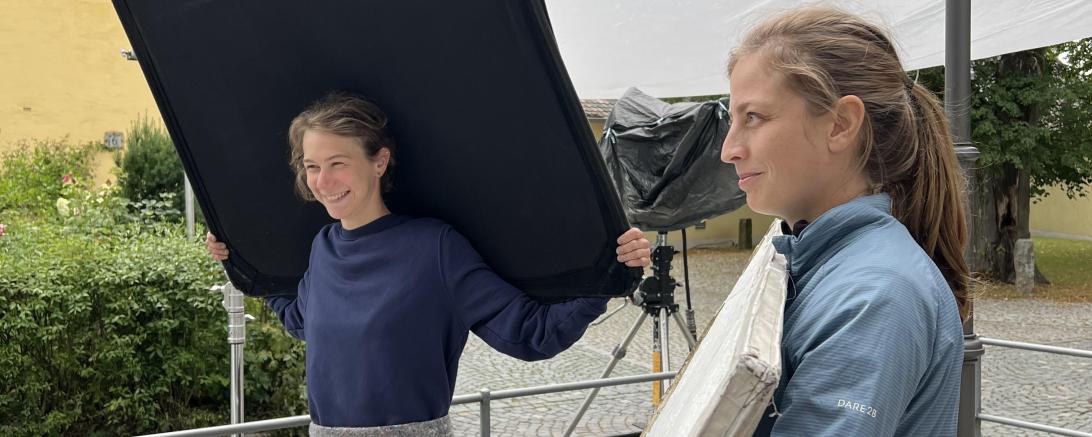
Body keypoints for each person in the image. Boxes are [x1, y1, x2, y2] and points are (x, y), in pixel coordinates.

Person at [205, 92, 651, 436]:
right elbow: (302, 319)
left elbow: (529, 334)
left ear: (379, 161)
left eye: (337, 163)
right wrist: (241, 264)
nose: (322, 181)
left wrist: (609, 276)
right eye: (312, 166)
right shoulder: (323, 248)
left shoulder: (434, 248)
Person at [719, 7, 969, 436]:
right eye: (732, 120)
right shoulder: (815, 262)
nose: (729, 149)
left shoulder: (874, 295)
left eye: (753, 117)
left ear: (840, 124)